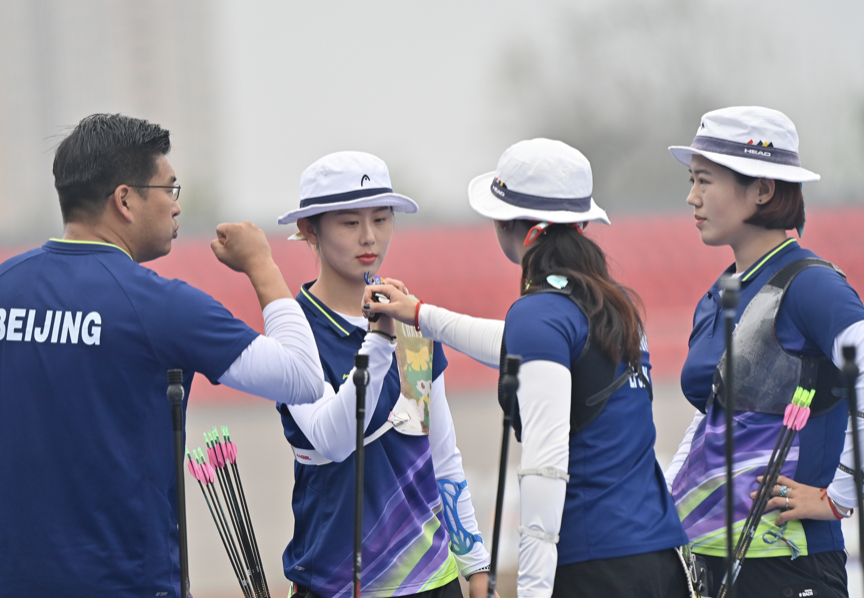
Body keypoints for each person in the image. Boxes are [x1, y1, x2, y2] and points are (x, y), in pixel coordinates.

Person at [0, 113, 324, 598]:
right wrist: (261, 264)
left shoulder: (6, 285)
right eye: (169, 190)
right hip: (128, 583)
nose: (176, 208)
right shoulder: (159, 304)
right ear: (125, 200)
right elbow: (301, 377)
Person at [363, 139, 692, 597]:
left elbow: (545, 470)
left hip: (594, 568)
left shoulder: (540, 315)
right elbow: (516, 343)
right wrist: (419, 314)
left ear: (507, 223)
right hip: (659, 562)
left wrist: (533, 592)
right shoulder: (610, 304)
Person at [662, 106, 864, 597]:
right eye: (692, 181)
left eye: (705, 181)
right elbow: (715, 416)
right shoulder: (723, 291)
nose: (692, 198)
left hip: (787, 566)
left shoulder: (814, 286)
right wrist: (666, 505)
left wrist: (840, 494)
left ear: (763, 190)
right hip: (712, 565)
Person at [274, 151, 492, 598]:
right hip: (335, 584)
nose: (369, 237)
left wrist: (475, 564)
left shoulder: (412, 320)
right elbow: (333, 441)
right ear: (309, 229)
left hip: (434, 580)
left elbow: (442, 455)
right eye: (350, 223)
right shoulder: (295, 332)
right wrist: (378, 342)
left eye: (381, 218)